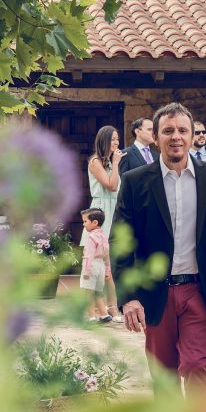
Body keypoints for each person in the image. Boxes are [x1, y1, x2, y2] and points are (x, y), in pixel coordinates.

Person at [113, 102, 206, 397]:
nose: (175, 136)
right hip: (155, 293)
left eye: (182, 130)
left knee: (196, 365)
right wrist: (129, 298)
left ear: (193, 136)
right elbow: (121, 241)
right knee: (163, 375)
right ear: (156, 138)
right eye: (167, 131)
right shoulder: (135, 181)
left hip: (197, 290)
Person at [80, 125, 125, 322]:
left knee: (110, 267)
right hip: (101, 213)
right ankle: (96, 310)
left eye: (118, 139)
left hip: (115, 212)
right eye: (113, 139)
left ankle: (111, 308)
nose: (116, 143)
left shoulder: (110, 163)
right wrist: (116, 164)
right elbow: (111, 185)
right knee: (98, 265)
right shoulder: (95, 162)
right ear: (104, 141)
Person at [80, 208, 114, 323]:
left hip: (92, 265)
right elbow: (107, 255)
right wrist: (108, 270)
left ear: (94, 223)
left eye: (85, 221)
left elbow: (89, 256)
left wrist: (86, 271)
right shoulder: (104, 236)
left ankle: (92, 317)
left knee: (88, 293)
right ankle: (104, 315)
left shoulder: (91, 237)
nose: (83, 224)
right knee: (97, 292)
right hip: (101, 266)